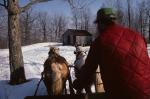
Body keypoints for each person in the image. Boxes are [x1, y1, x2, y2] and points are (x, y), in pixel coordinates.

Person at [73, 8, 150, 99]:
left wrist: (78, 84)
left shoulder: (100, 42)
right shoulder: (138, 36)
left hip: (121, 94)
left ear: (100, 23)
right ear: (114, 21)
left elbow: (88, 70)